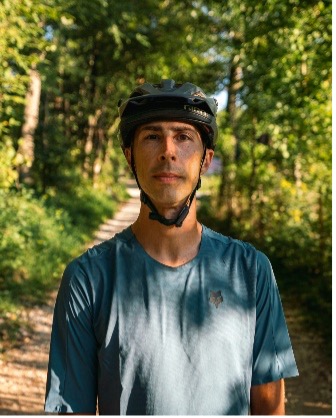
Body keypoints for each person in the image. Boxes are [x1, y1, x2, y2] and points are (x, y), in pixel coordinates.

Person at [44, 79, 298, 415]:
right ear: (130, 156)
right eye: (151, 136)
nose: (168, 150)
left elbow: (270, 408)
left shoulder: (251, 271)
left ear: (206, 160)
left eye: (183, 136)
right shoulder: (88, 279)